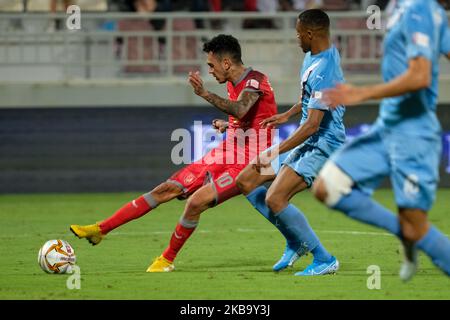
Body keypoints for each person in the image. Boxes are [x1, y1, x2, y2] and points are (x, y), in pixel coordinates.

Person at [70, 34, 278, 272]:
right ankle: (101, 229)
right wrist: (226, 125)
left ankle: (166, 260)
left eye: (211, 65)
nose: (209, 70)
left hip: (255, 161)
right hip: (228, 151)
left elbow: (241, 110)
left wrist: (205, 94)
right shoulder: (233, 83)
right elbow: (248, 119)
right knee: (166, 189)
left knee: (195, 202)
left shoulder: (255, 80)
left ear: (226, 63)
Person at [313, 0, 450, 281]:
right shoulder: (401, 7)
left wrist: (361, 94)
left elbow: (420, 76)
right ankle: (406, 231)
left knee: (417, 228)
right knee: (328, 187)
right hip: (387, 129)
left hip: (413, 135)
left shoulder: (420, 9)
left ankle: (411, 233)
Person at [236, 9, 345, 275]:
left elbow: (312, 126)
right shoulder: (312, 57)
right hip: (308, 141)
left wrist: (274, 150)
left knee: (275, 197)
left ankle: (323, 259)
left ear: (310, 34)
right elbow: (310, 100)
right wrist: (286, 115)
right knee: (246, 180)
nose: (296, 39)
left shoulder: (326, 68)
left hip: (322, 144)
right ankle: (296, 242)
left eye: (298, 34)